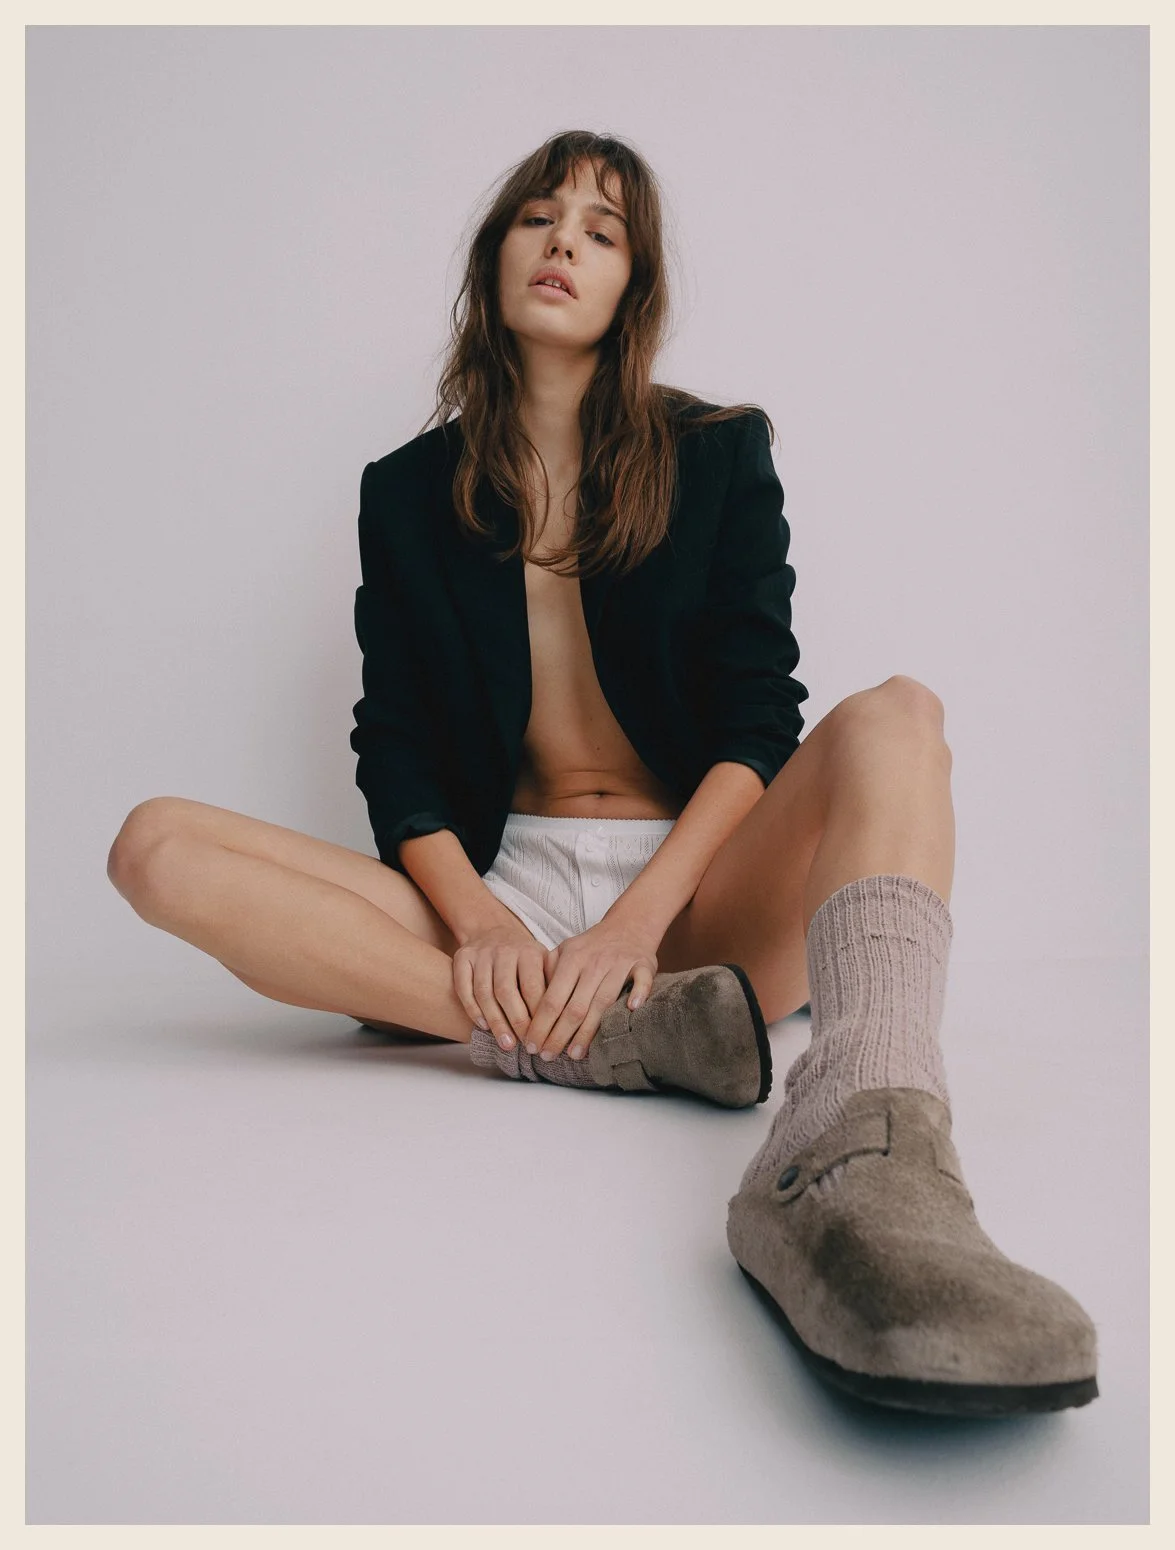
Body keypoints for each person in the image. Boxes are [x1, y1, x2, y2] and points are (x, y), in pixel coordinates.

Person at [107, 130, 1098, 1418]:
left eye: (603, 228)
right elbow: (393, 736)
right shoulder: (406, 492)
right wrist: (479, 923)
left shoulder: (720, 453)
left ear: (636, 287)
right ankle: (598, 1048)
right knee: (154, 845)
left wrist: (639, 921)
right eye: (537, 215)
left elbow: (760, 718)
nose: (564, 239)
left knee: (900, 715)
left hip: (693, 903)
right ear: (494, 255)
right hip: (501, 888)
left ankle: (872, 1132)